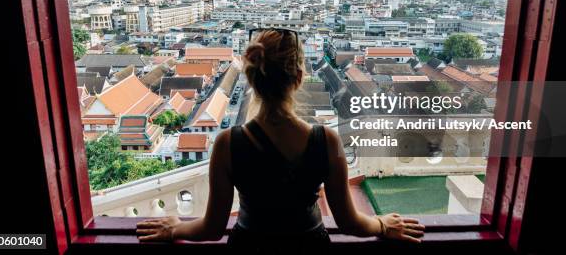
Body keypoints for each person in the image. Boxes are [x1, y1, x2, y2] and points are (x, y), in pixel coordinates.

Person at [137, 29, 424, 251]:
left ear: (251, 79)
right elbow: (350, 222)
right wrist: (383, 226)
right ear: (298, 78)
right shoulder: (327, 140)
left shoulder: (229, 143)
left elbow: (212, 228)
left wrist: (175, 228)